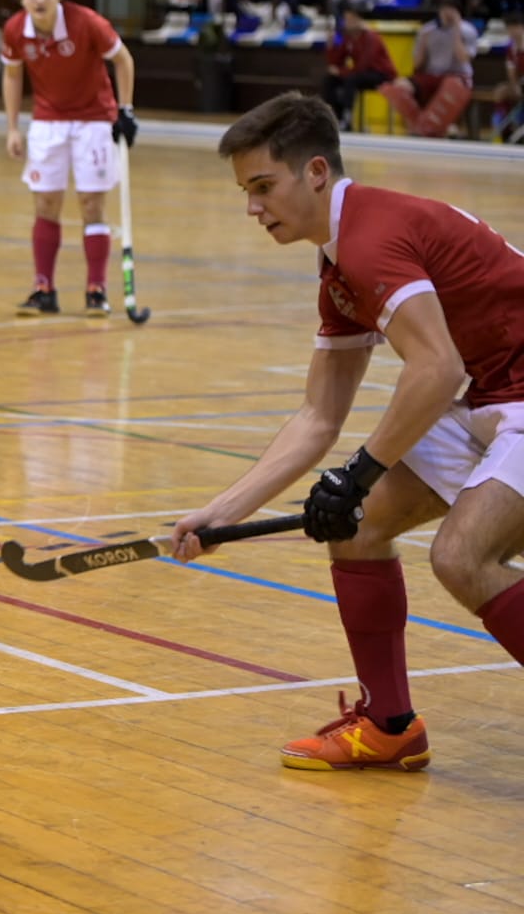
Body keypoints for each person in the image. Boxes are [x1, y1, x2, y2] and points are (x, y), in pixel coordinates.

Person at [173, 91, 524, 771]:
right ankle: (389, 723)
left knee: (460, 556)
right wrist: (219, 514)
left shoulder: (368, 240)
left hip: (510, 395)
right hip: (496, 396)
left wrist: (356, 472)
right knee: (356, 525)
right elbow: (318, 417)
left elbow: (435, 369)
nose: (252, 207)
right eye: (246, 191)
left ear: (314, 172)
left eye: (262, 186)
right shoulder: (338, 264)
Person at [1, 0, 136, 319]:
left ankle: (96, 289)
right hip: (48, 124)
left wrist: (126, 110)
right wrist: (13, 127)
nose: (38, 1)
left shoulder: (87, 22)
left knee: (92, 205)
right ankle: (43, 288)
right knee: (45, 205)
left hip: (94, 120)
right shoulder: (15, 30)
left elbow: (123, 60)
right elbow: (12, 76)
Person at [379, 0, 478, 136]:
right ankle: (420, 125)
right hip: (433, 74)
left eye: (450, 10)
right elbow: (418, 64)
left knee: (450, 86)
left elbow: (464, 59)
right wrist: (424, 42)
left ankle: (432, 127)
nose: (446, 13)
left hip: (458, 76)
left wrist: (456, 31)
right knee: (399, 86)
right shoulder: (427, 30)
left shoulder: (467, 30)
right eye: (444, 9)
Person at [323, 3, 398, 130]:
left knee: (351, 79)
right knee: (330, 79)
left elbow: (364, 65)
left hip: (381, 74)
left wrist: (340, 72)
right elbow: (335, 62)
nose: (347, 22)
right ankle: (334, 117)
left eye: (351, 19)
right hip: (362, 74)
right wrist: (330, 47)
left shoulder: (371, 37)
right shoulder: (348, 37)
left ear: (360, 20)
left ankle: (347, 119)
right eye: (346, 19)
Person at [491, 13, 524, 142]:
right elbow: (511, 71)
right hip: (521, 85)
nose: (512, 32)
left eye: (515, 27)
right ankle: (504, 131)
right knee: (500, 91)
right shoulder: (511, 48)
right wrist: (515, 86)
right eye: (509, 28)